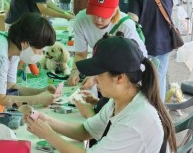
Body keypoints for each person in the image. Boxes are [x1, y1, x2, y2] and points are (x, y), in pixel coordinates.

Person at [25, 36, 177, 153]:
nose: (95, 79)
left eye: (99, 74)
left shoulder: (136, 119)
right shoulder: (120, 100)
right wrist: (47, 120)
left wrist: (49, 136)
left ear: (119, 78)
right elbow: (85, 131)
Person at [67, 0, 147, 87]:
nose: (98, 20)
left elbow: (130, 64)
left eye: (103, 15)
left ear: (115, 11)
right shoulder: (81, 20)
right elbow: (81, 54)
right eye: (94, 13)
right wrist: (75, 71)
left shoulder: (126, 26)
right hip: (104, 67)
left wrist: (97, 76)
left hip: (127, 71)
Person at [128, 0, 174, 101]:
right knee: (159, 80)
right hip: (164, 44)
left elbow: (132, 22)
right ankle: (159, 115)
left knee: (142, 83)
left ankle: (147, 115)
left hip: (145, 45)